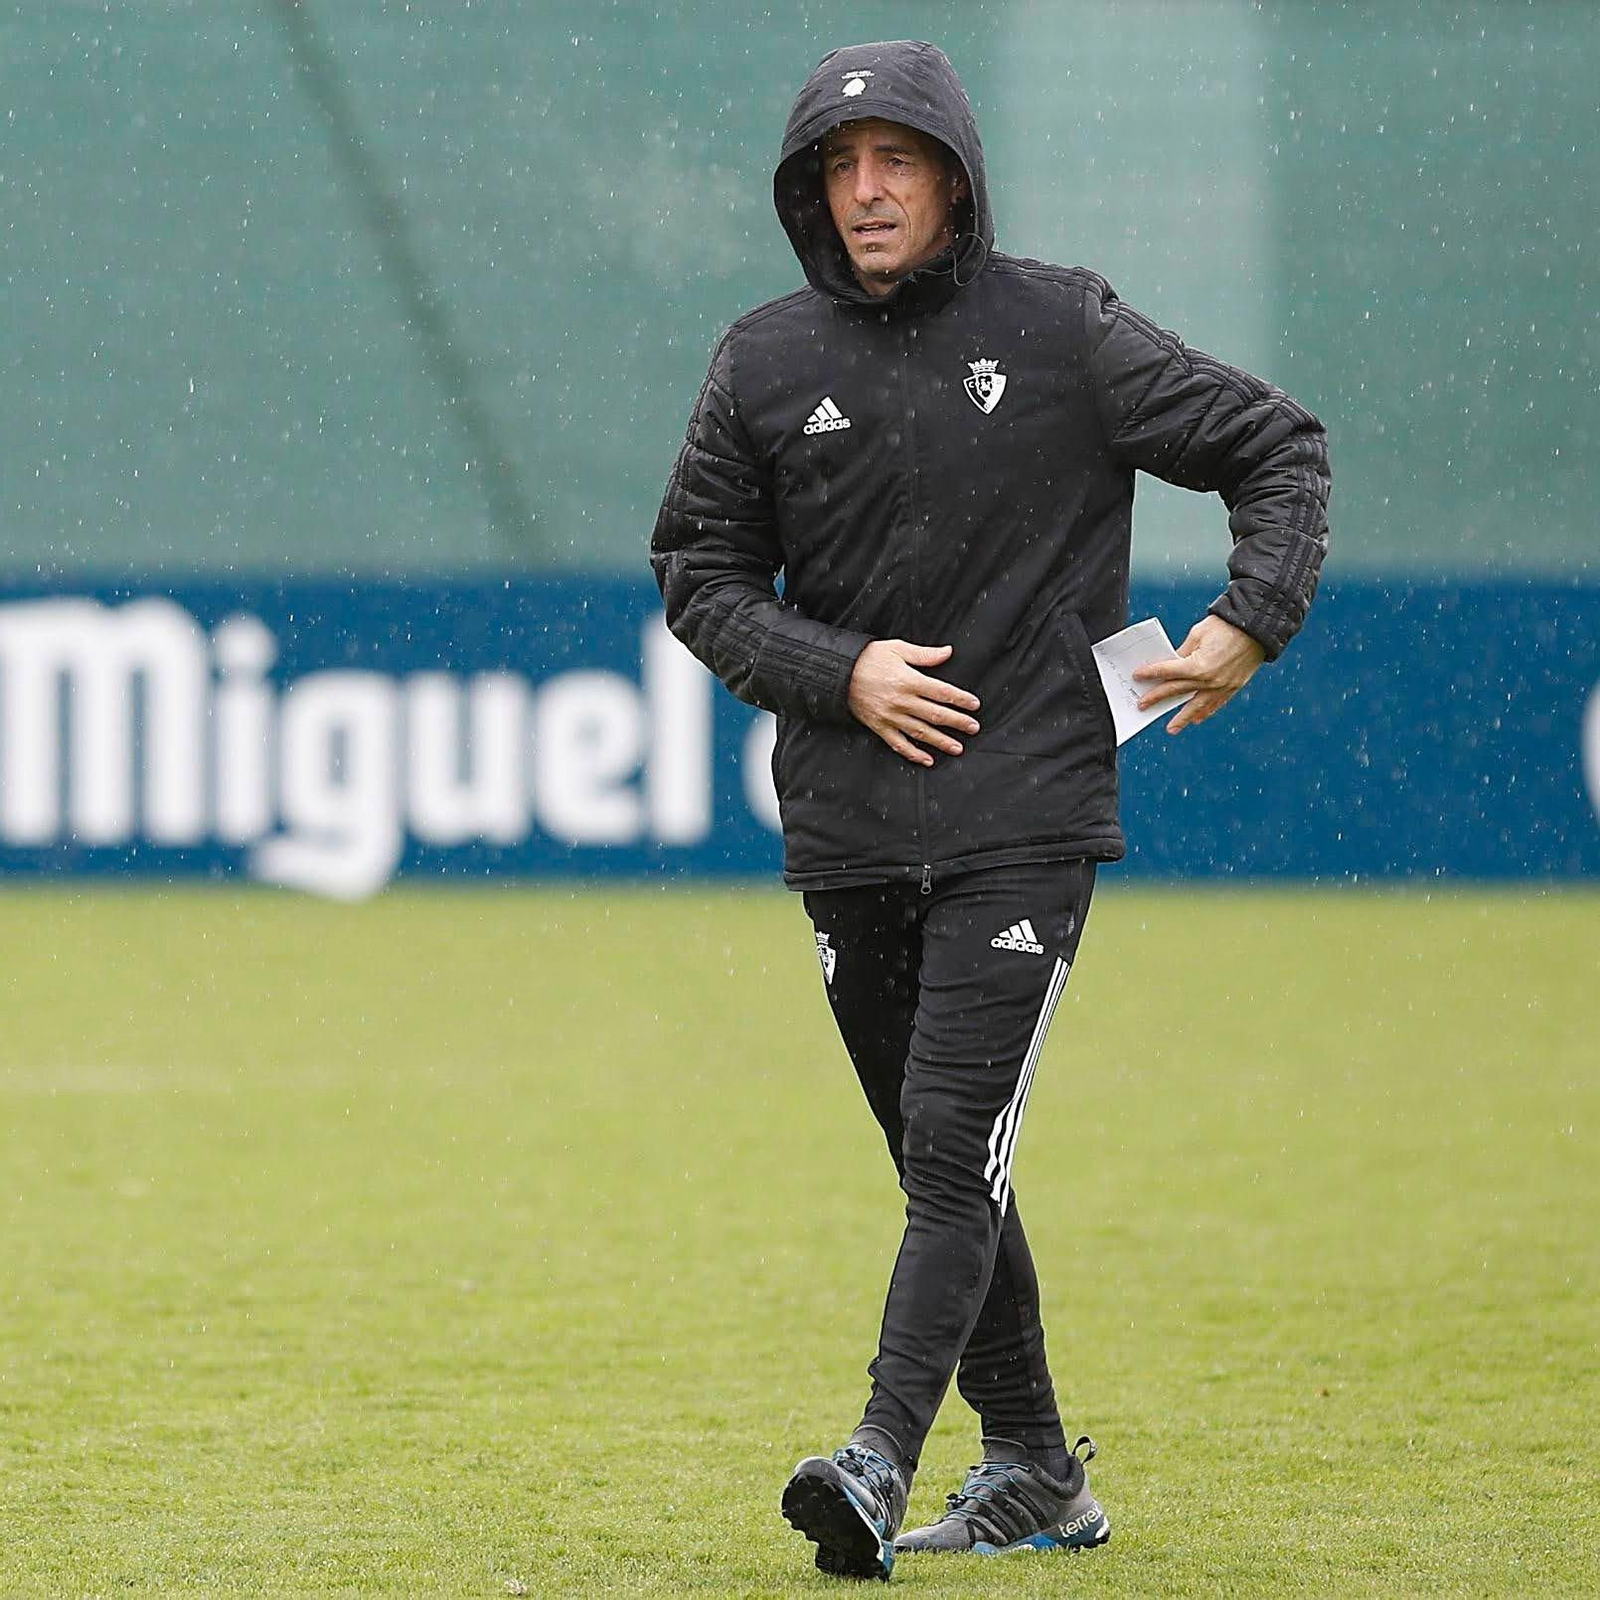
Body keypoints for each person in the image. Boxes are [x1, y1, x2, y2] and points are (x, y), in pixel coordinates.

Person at [651, 38, 1330, 1583]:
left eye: (896, 160)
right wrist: (842, 672)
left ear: (955, 177)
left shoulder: (1065, 328)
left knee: (954, 1151)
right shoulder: (760, 360)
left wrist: (1251, 615)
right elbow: (694, 574)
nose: (866, 190)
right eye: (839, 165)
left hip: (1024, 814)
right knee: (945, 1165)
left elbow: (1276, 445)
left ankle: (880, 1459)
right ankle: (1033, 1466)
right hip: (844, 831)